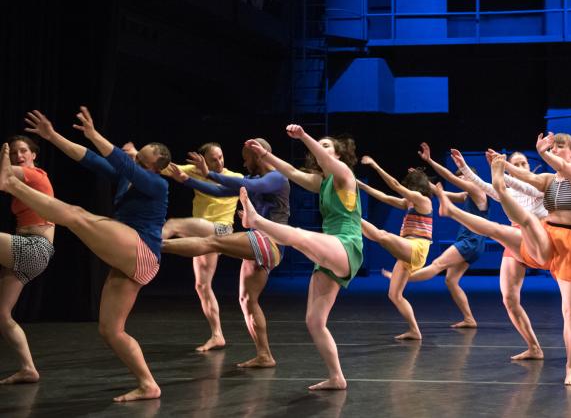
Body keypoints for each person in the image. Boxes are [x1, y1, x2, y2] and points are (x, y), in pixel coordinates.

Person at [16, 108, 170, 401]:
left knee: (76, 215)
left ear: (153, 167)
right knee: (111, 331)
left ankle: (11, 184)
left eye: (140, 158)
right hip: (133, 262)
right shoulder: (128, 177)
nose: (134, 158)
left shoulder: (156, 183)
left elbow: (121, 162)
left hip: (143, 252)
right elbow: (88, 158)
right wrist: (51, 136)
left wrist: (94, 133)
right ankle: (149, 384)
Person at [433, 133, 571, 385]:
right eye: (555, 146)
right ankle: (451, 210)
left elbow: (559, 167)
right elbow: (527, 178)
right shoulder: (548, 179)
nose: (557, 150)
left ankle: (570, 368)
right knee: (511, 225)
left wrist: (543, 153)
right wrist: (500, 164)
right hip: (547, 235)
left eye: (562, 147)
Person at [240, 125, 362, 390]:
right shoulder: (323, 182)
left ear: (339, 155)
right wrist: (265, 156)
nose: (323, 149)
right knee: (314, 322)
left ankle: (256, 221)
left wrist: (305, 136)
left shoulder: (344, 175)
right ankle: (336, 377)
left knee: (298, 236)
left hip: (346, 244)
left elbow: (326, 160)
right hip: (329, 249)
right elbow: (293, 173)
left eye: (327, 145)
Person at [162, 138, 289, 368]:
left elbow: (251, 188)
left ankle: (158, 245)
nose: (243, 161)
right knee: (247, 300)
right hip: (259, 244)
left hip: (268, 241)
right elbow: (220, 192)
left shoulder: (277, 177)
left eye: (246, 157)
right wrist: (188, 180)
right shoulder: (251, 178)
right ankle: (265, 355)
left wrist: (208, 174)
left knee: (213, 242)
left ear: (258, 155)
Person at [451, 149, 545, 360]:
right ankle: (534, 348)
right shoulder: (507, 192)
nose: (521, 167)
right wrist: (464, 167)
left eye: (524, 164)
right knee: (509, 299)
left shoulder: (539, 185)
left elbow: (516, 186)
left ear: (529, 167)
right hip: (517, 242)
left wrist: (503, 171)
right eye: (516, 164)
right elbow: (485, 187)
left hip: (542, 244)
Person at [162, 142, 243, 352]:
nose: (219, 162)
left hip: (223, 230)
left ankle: (146, 248)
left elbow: (219, 190)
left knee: (173, 225)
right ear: (203, 160)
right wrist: (137, 155)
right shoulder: (195, 171)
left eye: (221, 157)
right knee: (202, 285)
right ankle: (217, 335)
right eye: (214, 159)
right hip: (205, 232)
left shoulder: (235, 177)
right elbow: (165, 167)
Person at [409, 142, 489, 329]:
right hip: (470, 242)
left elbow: (449, 180)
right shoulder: (467, 196)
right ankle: (469, 318)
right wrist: (420, 178)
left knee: (437, 264)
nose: (460, 181)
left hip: (471, 241)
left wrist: (429, 160)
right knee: (451, 280)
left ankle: (403, 278)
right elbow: (439, 192)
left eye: (463, 178)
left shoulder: (478, 191)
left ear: (472, 178)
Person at [358, 156, 435, 340]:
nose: (405, 190)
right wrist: (360, 185)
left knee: (382, 235)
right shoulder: (409, 203)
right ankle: (414, 331)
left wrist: (375, 165)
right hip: (407, 250)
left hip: (416, 247)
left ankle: (351, 216)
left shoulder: (421, 199)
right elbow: (384, 196)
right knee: (394, 294)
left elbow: (394, 186)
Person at [0, 135, 55, 384]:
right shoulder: (19, 179)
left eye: (23, 151)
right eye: (13, 153)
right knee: (2, 314)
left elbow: (3, 178)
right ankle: (28, 368)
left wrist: (3, 157)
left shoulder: (36, 175)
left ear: (34, 155)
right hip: (28, 253)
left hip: (34, 247)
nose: (18, 156)